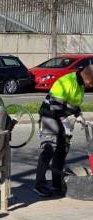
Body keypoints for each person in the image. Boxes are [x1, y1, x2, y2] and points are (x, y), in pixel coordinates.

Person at [33, 64, 93, 197]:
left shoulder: (81, 85)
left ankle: (56, 184)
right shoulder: (66, 81)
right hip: (49, 116)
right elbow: (55, 105)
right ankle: (39, 185)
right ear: (88, 77)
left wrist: (78, 115)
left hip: (62, 117)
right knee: (49, 148)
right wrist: (66, 120)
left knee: (62, 150)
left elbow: (74, 104)